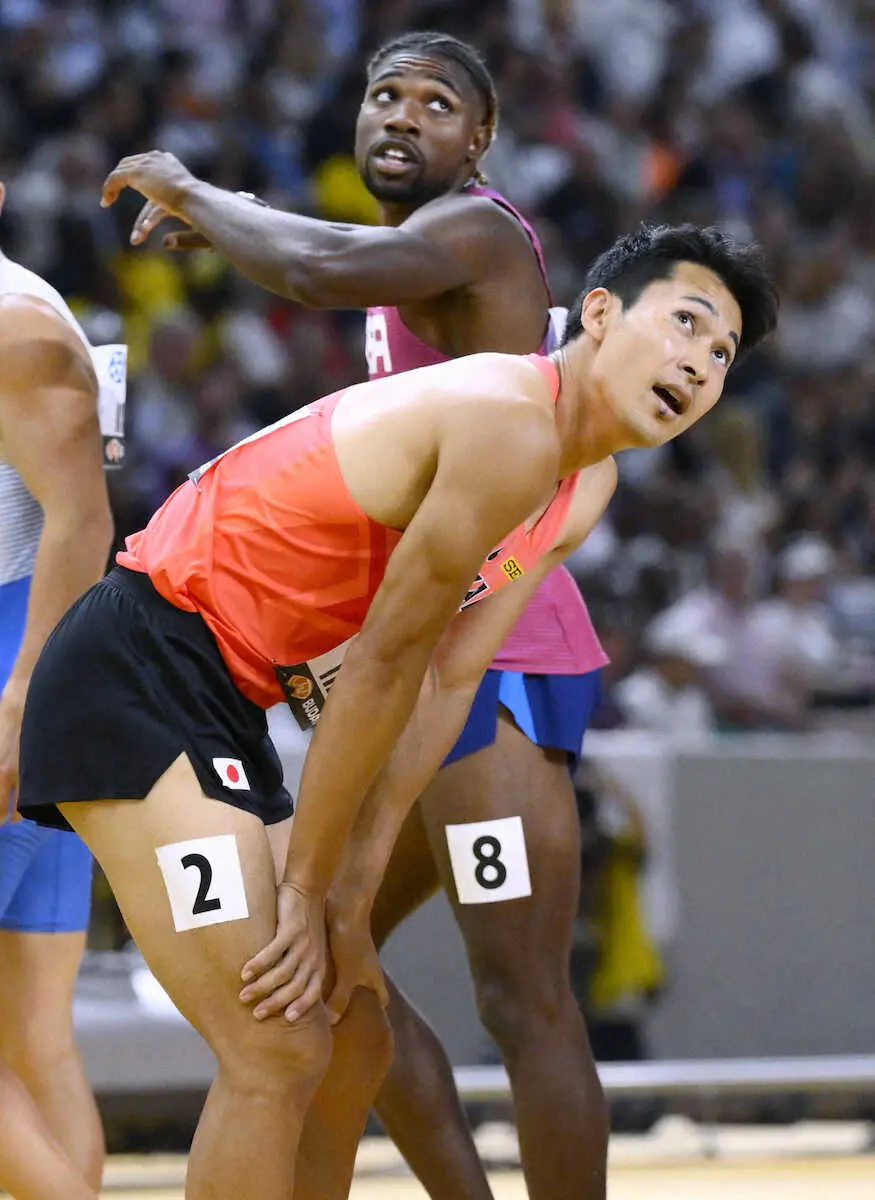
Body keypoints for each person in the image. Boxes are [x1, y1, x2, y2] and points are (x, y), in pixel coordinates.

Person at [18, 199, 775, 1200]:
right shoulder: (507, 421)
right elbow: (379, 668)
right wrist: (306, 892)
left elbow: (447, 681)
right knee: (276, 1042)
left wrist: (346, 890)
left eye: (720, 354)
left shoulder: (577, 488)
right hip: (136, 668)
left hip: (220, 697)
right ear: (596, 313)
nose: (697, 363)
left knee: (352, 1028)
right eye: (682, 322)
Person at [126, 31, 611, 1200]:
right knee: (333, 963)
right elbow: (331, 256)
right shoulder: (419, 252)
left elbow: (323, 267)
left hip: (488, 656)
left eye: (435, 103)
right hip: (429, 652)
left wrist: (199, 192)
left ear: (479, 140)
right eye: (382, 94)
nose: (400, 115)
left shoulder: (478, 233)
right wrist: (237, 223)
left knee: (520, 996)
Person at [0, 180, 112, 1197]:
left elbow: (83, 520)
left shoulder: (15, 322)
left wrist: (23, 695)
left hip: (20, 665)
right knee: (36, 1034)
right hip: (39, 661)